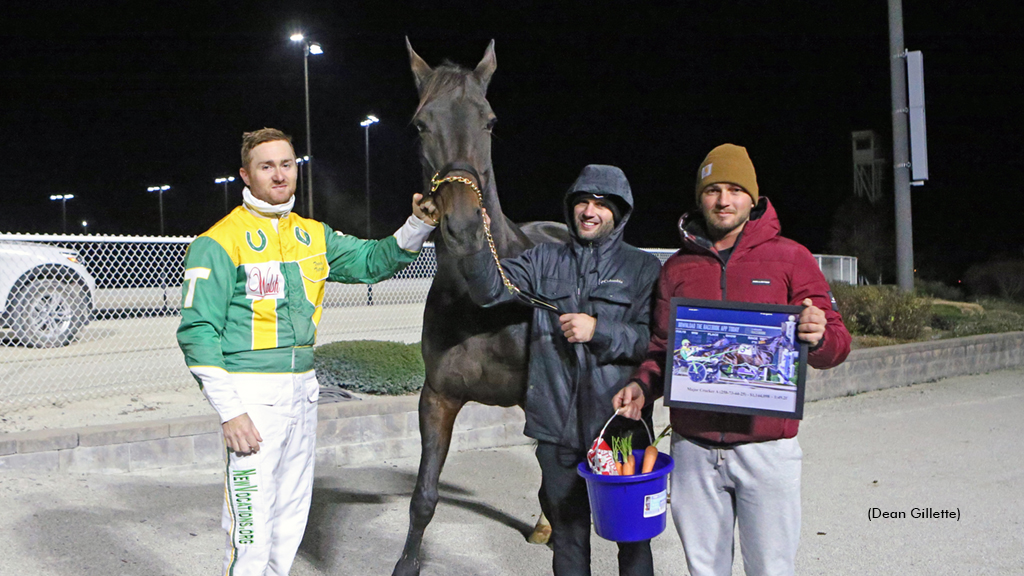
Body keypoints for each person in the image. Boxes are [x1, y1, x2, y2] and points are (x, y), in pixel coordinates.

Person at [176, 128, 438, 576]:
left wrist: (420, 223)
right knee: (250, 533)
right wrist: (230, 412)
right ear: (245, 174)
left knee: (290, 521)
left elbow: (374, 261)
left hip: (303, 393)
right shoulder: (219, 241)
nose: (279, 175)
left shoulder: (313, 235)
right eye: (266, 166)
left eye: (286, 164)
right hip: (252, 401)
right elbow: (196, 332)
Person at [613, 144, 851, 576]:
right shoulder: (678, 269)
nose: (724, 200)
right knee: (705, 570)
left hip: (767, 449)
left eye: (736, 190)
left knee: (771, 569)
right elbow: (663, 349)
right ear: (700, 197)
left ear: (753, 198)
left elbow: (837, 344)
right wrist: (642, 385)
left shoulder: (791, 258)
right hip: (694, 449)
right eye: (714, 190)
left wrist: (817, 337)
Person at [460, 165, 662, 576]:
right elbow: (489, 291)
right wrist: (472, 237)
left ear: (620, 213)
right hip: (556, 428)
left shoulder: (642, 269)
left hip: (619, 429)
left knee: (632, 536)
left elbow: (651, 342)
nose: (589, 211)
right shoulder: (542, 259)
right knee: (567, 537)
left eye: (602, 205)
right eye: (583, 202)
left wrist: (599, 330)